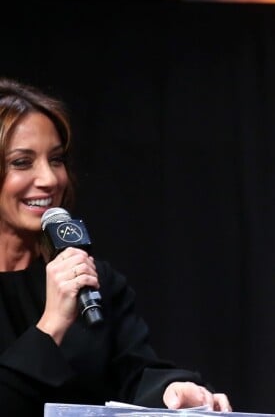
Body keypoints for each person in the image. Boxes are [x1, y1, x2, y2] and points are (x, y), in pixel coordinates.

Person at [0, 77, 232, 415]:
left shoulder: (92, 279)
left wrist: (174, 389)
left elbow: (134, 374)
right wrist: (51, 326)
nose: (50, 179)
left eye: (57, 159)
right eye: (22, 162)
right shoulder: (66, 292)